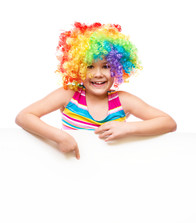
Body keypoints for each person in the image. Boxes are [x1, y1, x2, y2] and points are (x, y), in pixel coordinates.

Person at [15, 22, 177, 160]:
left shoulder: (122, 101)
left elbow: (168, 123)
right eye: (90, 66)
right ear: (77, 69)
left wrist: (128, 128)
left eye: (106, 66)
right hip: (71, 167)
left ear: (117, 68)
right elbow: (24, 116)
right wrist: (60, 137)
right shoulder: (69, 95)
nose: (98, 74)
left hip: (111, 166)